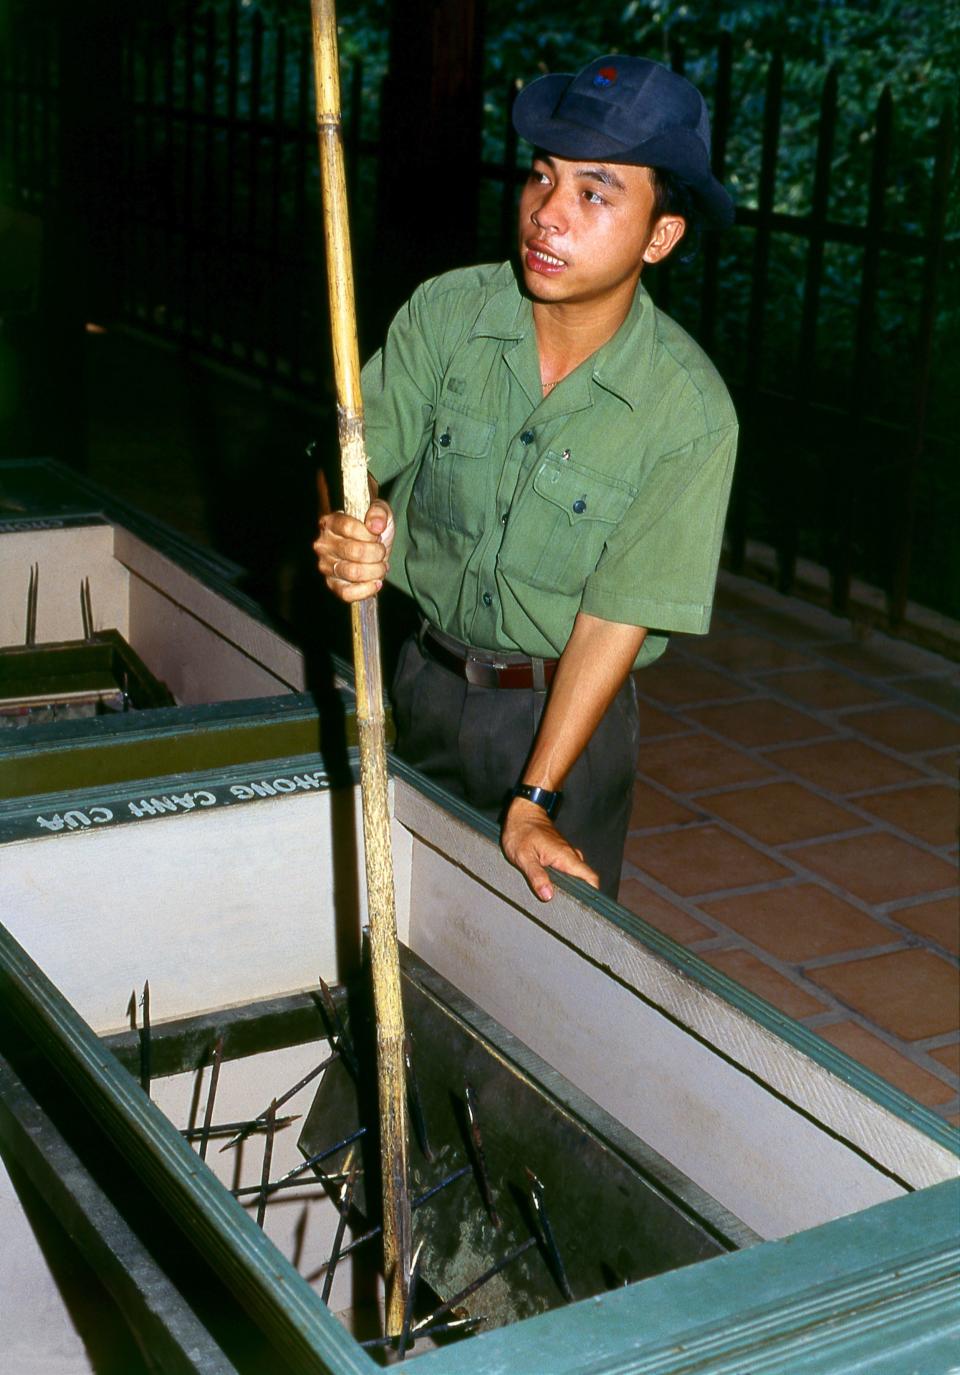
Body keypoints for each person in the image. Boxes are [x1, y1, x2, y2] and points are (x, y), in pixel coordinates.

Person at [314, 54, 738, 904]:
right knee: (398, 922)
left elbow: (615, 616)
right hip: (419, 683)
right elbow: (347, 453)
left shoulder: (688, 416)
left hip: (568, 727)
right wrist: (351, 526)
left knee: (538, 988)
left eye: (595, 192)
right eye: (542, 176)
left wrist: (535, 797)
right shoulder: (450, 314)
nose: (547, 214)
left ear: (661, 235)